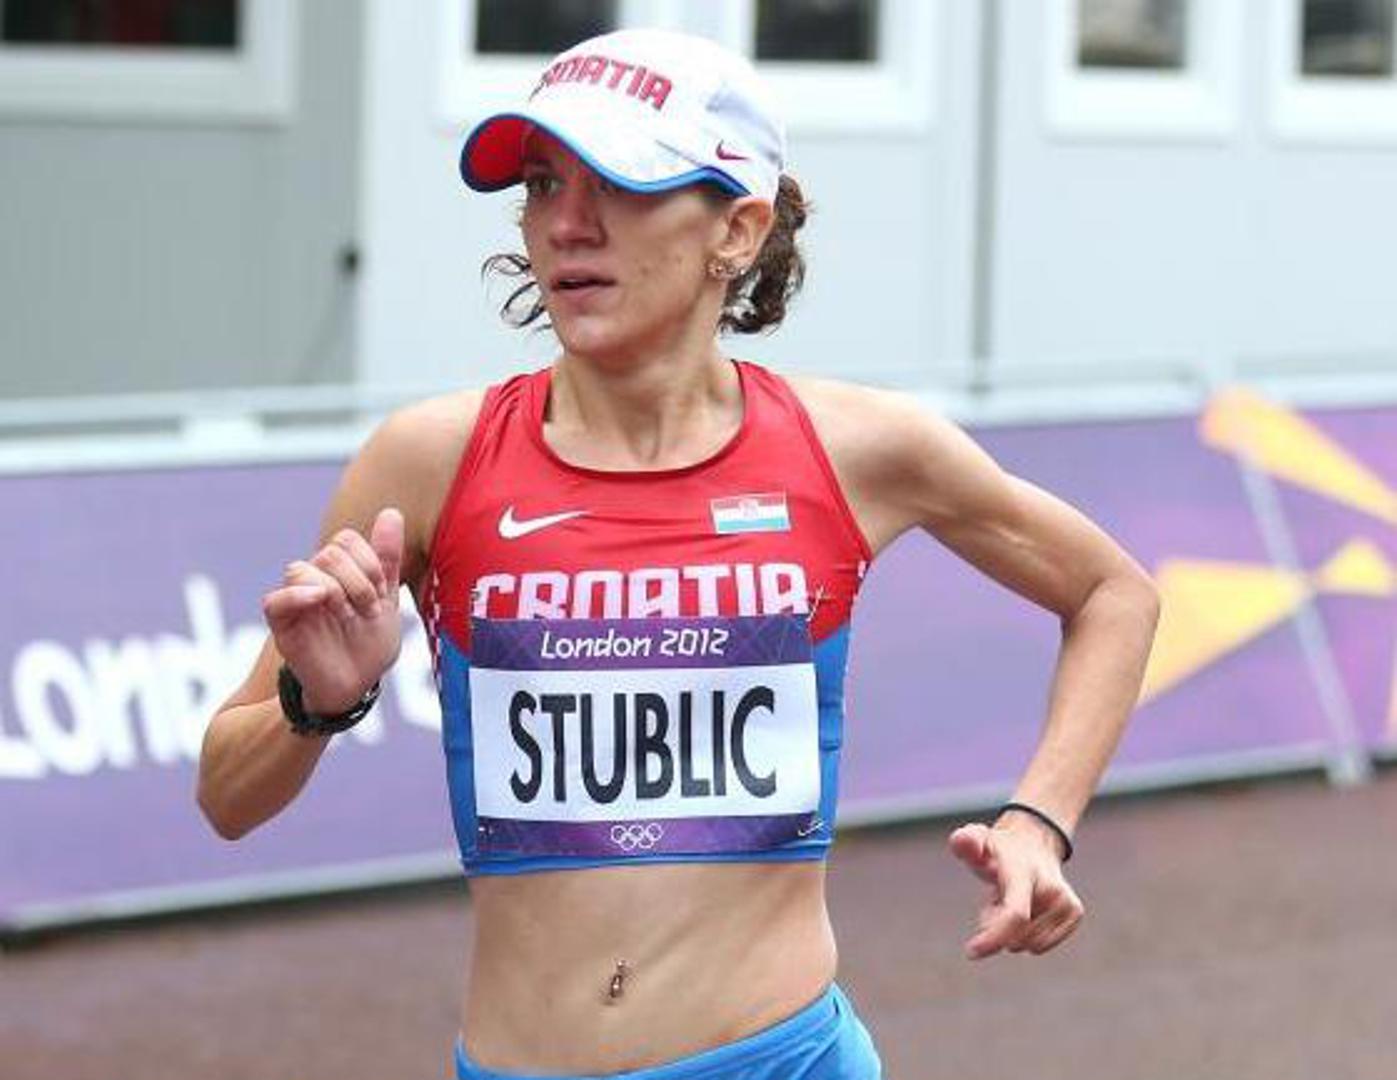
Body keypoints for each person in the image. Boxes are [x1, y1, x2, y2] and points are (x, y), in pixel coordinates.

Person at [197, 27, 1159, 1080]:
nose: (566, 224)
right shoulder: (428, 460)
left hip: (782, 1060)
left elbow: (1112, 592)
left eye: (619, 184)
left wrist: (1037, 822)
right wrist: (316, 706)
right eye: (541, 184)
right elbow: (226, 799)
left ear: (737, 229)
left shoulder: (856, 449)